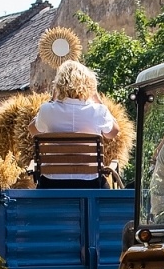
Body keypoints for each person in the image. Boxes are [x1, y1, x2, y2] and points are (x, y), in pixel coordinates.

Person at [31, 60, 119, 188]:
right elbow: (113, 133)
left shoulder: (47, 110)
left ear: (58, 85)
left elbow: (33, 130)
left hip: (52, 183)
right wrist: (98, 100)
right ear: (89, 85)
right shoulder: (98, 110)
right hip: (90, 183)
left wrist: (52, 100)